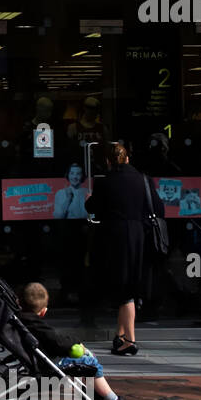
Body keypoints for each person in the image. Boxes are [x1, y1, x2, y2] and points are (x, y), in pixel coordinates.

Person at [16, 283, 137, 400]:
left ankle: (96, 396)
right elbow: (58, 342)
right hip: (50, 362)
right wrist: (76, 342)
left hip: (43, 359)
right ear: (44, 311)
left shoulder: (22, 321)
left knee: (88, 360)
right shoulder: (36, 325)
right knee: (91, 364)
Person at [83, 139, 152, 356]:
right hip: (138, 235)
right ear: (128, 158)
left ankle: (129, 340)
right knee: (128, 286)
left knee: (124, 289)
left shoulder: (105, 182)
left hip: (115, 236)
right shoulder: (143, 179)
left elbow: (94, 208)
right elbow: (156, 207)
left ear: (108, 161)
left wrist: (89, 200)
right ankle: (120, 335)